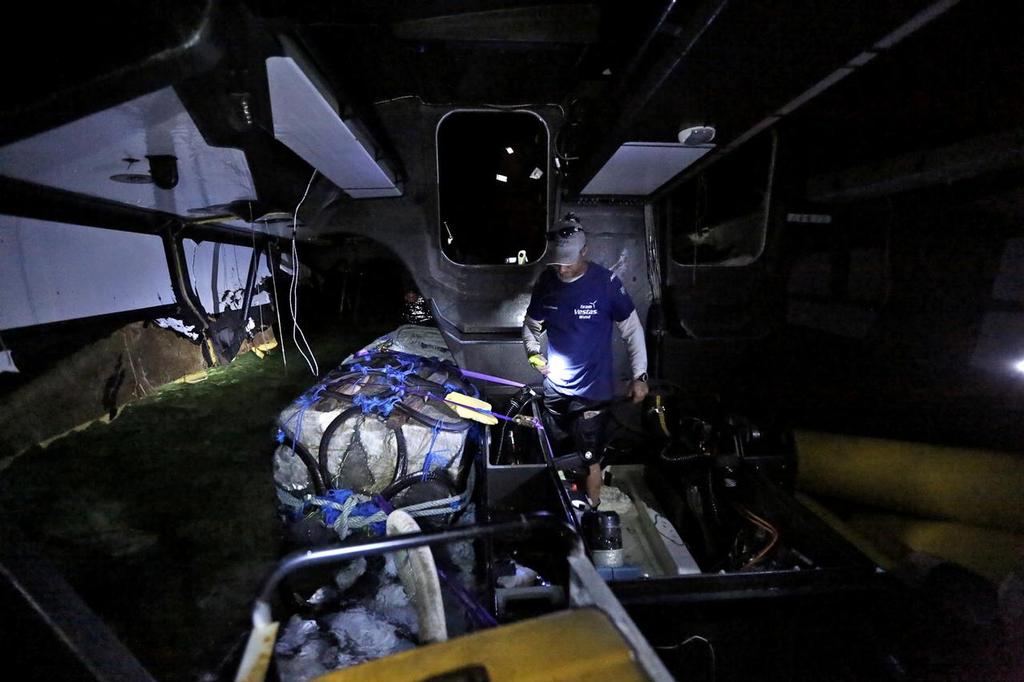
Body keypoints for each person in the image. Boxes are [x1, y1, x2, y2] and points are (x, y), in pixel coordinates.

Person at [522, 213, 649, 509]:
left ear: (585, 251)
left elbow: (632, 330)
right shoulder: (547, 282)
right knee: (559, 453)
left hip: (591, 393)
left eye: (569, 261)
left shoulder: (605, 283)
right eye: (557, 262)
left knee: (590, 459)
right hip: (555, 388)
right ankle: (567, 508)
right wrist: (532, 354)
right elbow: (531, 325)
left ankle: (592, 510)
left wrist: (640, 375)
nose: (562, 268)